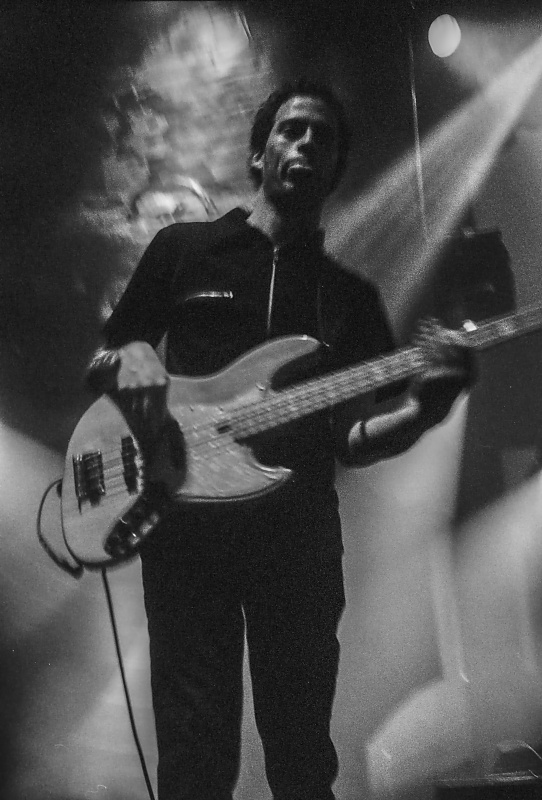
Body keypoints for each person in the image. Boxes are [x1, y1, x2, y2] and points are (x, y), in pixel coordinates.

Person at [86, 80, 475, 800]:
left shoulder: (349, 300)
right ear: (259, 154)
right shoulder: (184, 250)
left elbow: (353, 439)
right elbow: (107, 356)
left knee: (301, 757)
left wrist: (425, 412)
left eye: (324, 138)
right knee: (195, 759)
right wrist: (135, 369)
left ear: (334, 171)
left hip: (296, 543)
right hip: (188, 533)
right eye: (293, 130)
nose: (307, 144)